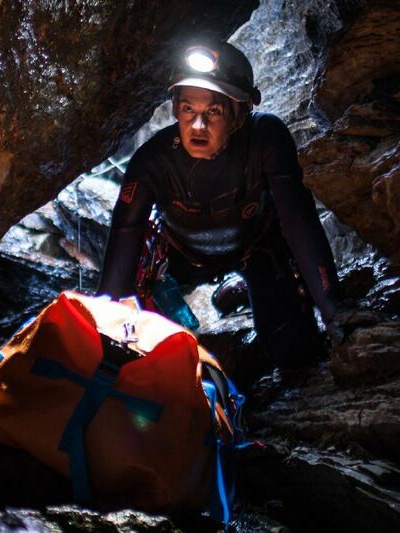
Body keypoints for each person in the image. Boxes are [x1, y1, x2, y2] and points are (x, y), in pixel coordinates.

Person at [97, 40, 342, 372]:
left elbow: (299, 219)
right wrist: (104, 328)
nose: (198, 126)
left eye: (213, 112)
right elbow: (126, 234)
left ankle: (246, 295)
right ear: (174, 108)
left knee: (296, 354)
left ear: (240, 112)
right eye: (188, 109)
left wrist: (333, 310)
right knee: (142, 356)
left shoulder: (265, 138)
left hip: (255, 246)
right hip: (179, 256)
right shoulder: (153, 161)